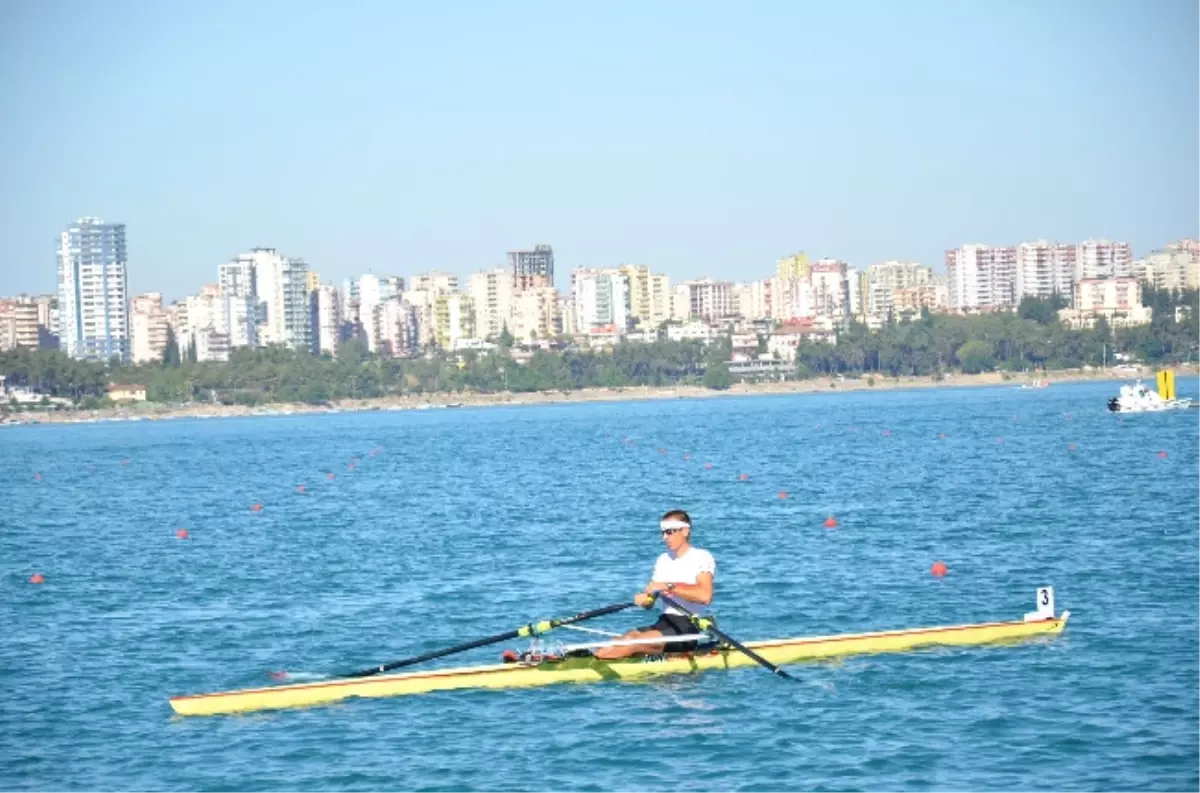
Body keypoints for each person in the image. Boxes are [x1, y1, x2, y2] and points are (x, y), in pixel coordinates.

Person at [593, 509, 716, 660]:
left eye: (669, 532)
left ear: (685, 531)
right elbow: (650, 602)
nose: (665, 537)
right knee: (618, 641)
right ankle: (595, 660)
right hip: (665, 622)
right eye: (663, 532)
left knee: (632, 642)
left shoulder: (701, 557)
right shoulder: (662, 560)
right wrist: (645, 600)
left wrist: (668, 586)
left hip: (690, 627)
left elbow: (705, 596)